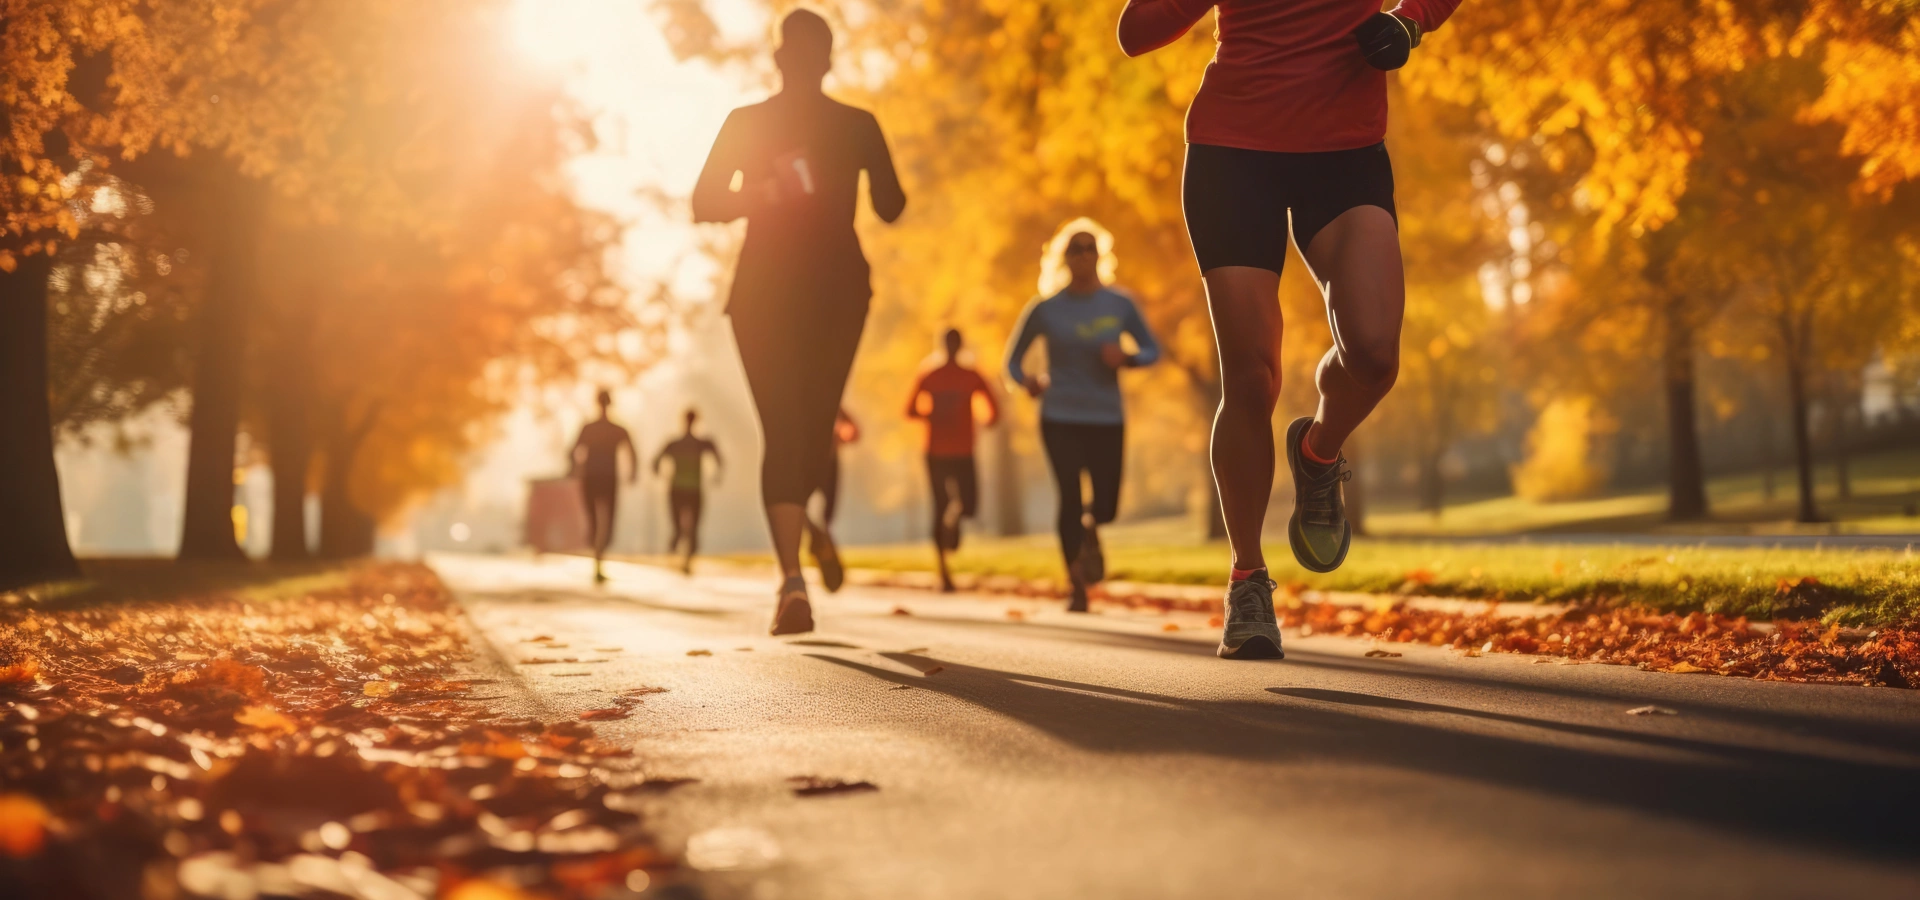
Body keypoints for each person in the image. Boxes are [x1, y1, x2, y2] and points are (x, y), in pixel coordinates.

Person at [1117, 0, 1462, 658]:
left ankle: (1319, 453)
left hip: (1344, 150)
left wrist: (1410, 18)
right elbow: (1135, 33)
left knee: (1374, 355)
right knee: (1252, 377)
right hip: (1232, 154)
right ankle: (1248, 581)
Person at [692, 9, 905, 635]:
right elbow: (893, 208)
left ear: (780, 59)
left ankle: (796, 554)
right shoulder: (852, 124)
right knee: (800, 425)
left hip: (788, 295)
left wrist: (756, 195)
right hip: (809, 294)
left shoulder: (759, 122)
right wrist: (772, 193)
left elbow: (704, 203)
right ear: (830, 59)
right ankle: (792, 578)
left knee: (800, 427)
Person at [1005, 221, 1161, 612]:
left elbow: (1152, 349)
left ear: (1100, 255)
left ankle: (1093, 529)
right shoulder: (1045, 308)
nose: (1083, 255)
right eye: (1075, 249)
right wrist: (1028, 382)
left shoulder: (1120, 304)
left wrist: (1127, 358)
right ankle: (1075, 583)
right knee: (1070, 499)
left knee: (1106, 506)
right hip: (1060, 414)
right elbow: (1011, 362)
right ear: (1064, 258)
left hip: (1107, 416)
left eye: (1089, 248)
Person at [905, 328, 999, 592]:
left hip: (964, 450)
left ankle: (955, 518)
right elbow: (909, 409)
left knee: (969, 505)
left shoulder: (971, 376)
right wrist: (931, 416)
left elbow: (994, 408)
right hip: (935, 451)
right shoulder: (930, 376)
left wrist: (988, 419)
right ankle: (943, 573)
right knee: (939, 505)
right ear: (943, 345)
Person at [569, 389, 636, 584]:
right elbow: (632, 452)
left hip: (591, 478)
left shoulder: (589, 428)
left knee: (595, 520)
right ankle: (599, 558)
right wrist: (633, 472)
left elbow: (574, 451)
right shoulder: (617, 429)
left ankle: (597, 559)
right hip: (607, 478)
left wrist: (575, 468)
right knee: (606, 520)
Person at [653, 409, 723, 574]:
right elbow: (719, 458)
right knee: (690, 527)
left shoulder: (677, 443)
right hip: (691, 490)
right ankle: (684, 558)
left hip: (679, 489)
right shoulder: (699, 443)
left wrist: (660, 473)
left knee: (683, 527)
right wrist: (717, 474)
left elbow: (655, 463)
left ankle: (684, 558)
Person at [820, 406, 859, 527]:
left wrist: (842, 433)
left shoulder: (837, 408)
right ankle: (812, 529)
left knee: (830, 499)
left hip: (831, 459)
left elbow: (855, 433)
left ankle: (824, 531)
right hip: (809, 461)